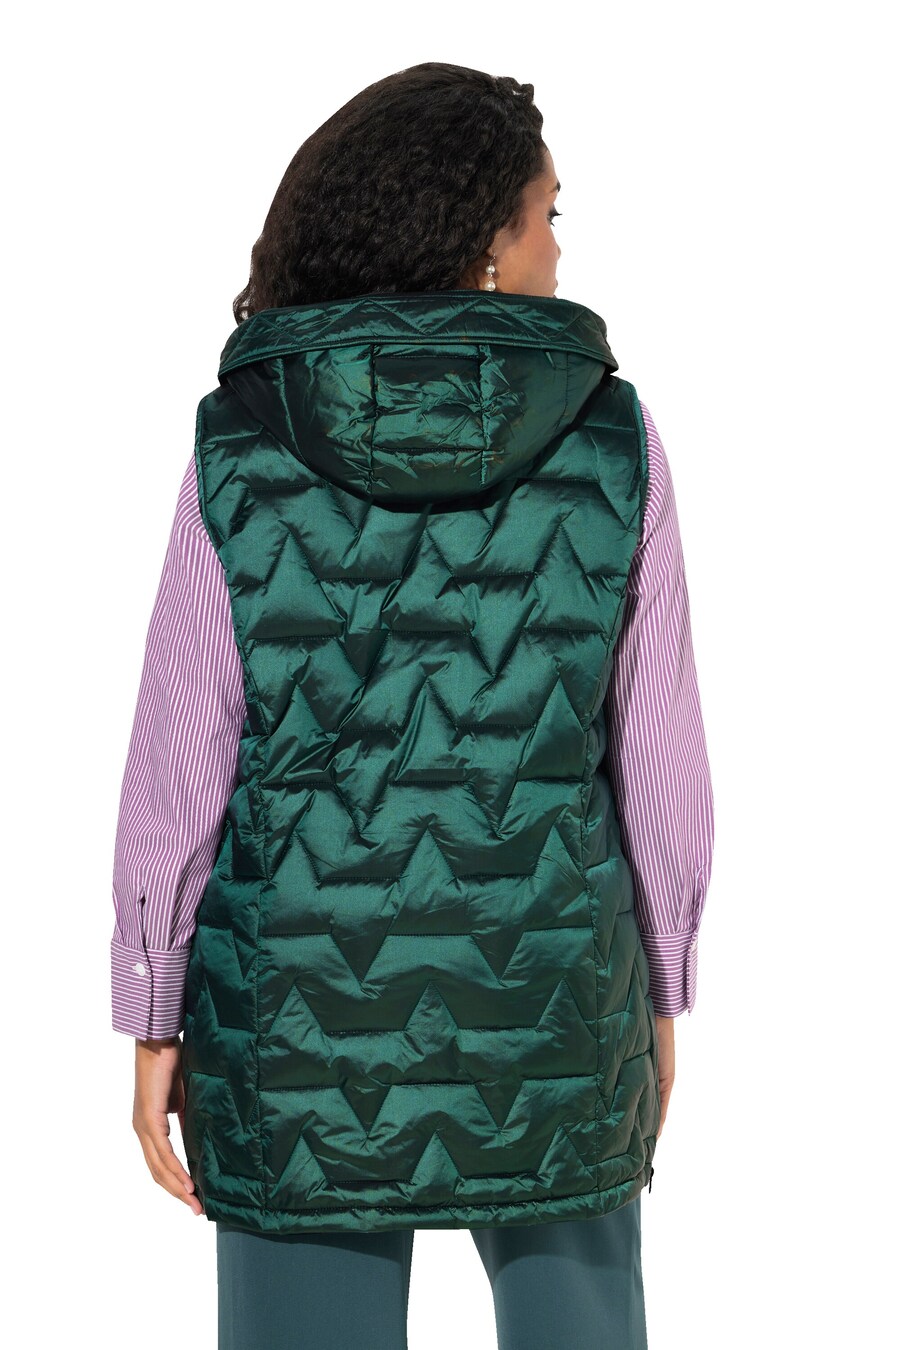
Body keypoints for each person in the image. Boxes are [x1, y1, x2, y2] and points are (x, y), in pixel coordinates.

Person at [110, 62, 714, 1350]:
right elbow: (659, 748)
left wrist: (155, 1006)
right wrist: (659, 981)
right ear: (485, 242)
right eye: (549, 214)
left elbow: (183, 750)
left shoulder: (244, 437)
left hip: (293, 1012)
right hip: (553, 997)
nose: (561, 248)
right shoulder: (612, 438)